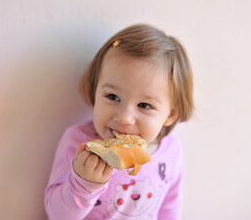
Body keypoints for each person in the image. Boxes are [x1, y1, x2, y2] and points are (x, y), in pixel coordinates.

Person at [44, 23, 194, 220]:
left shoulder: (171, 149)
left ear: (170, 115)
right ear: (95, 90)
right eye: (113, 97)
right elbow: (55, 215)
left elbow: (170, 206)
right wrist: (82, 185)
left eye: (144, 105)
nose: (124, 118)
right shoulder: (80, 143)